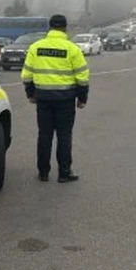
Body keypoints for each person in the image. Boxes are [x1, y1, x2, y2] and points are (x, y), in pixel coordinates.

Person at [21, 14, 89, 183]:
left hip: (43, 99)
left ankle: (43, 172)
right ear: (65, 28)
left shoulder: (36, 47)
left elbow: (26, 75)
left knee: (44, 135)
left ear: (49, 28)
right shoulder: (72, 49)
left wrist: (31, 94)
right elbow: (82, 77)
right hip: (65, 100)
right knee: (64, 136)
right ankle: (64, 173)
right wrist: (82, 98)